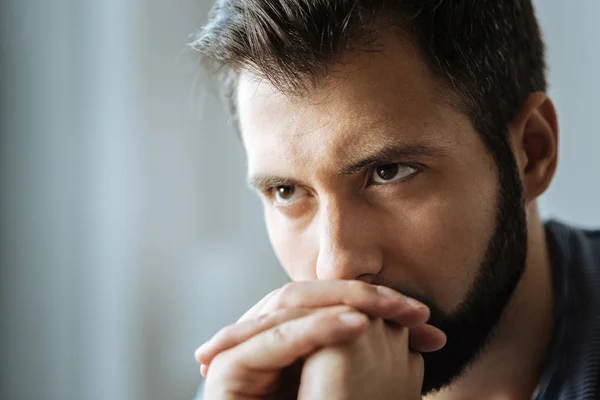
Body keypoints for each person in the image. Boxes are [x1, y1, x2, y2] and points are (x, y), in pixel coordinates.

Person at [191, 1, 600, 399]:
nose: (336, 266)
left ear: (531, 153)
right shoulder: (251, 386)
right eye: (287, 191)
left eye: (389, 172)